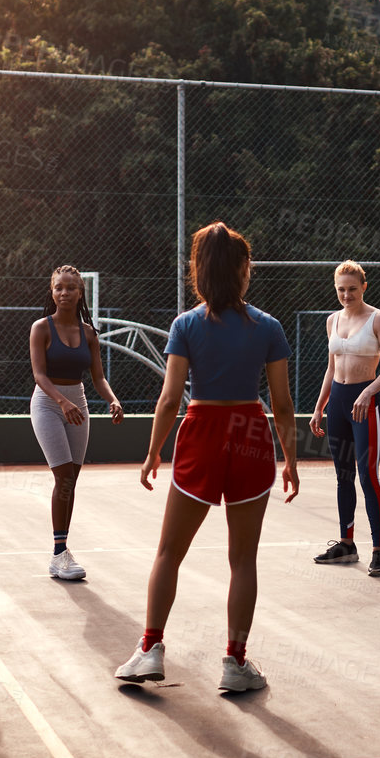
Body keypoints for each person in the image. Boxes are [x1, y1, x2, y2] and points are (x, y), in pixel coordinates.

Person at [116, 222, 300, 692]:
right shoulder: (269, 327)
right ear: (241, 270)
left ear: (200, 271)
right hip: (250, 434)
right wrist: (291, 461)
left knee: (169, 553)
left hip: (201, 432)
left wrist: (154, 450)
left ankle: (150, 649)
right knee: (243, 560)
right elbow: (281, 404)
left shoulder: (186, 325)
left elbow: (169, 399)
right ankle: (235, 663)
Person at [29, 265, 125, 581]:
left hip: (78, 403)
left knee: (72, 481)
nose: (65, 293)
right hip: (48, 404)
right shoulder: (41, 328)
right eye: (59, 287)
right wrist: (61, 401)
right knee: (63, 476)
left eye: (71, 287)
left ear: (80, 293)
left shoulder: (88, 333)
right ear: (52, 291)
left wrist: (112, 399)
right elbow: (39, 375)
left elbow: (97, 377)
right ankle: (59, 554)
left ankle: (63, 550)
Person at [309, 261, 380, 577]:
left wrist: (367, 393)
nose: (346, 295)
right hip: (338, 403)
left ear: (363, 287)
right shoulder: (332, 320)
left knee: (368, 477)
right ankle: (346, 545)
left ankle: (378, 551)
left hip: (364, 403)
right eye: (341, 289)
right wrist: (320, 406)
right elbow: (331, 368)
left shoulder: (379, 319)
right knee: (343, 476)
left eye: (352, 289)